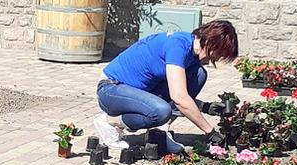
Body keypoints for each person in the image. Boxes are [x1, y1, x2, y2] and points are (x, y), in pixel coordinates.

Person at [93, 20, 239, 152]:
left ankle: (161, 132)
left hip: (141, 92)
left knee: (199, 74)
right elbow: (179, 98)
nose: (213, 60)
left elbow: (177, 92)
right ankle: (110, 122)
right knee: (161, 111)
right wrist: (210, 132)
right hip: (111, 89)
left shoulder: (192, 55)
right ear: (210, 42)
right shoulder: (178, 46)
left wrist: (205, 107)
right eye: (217, 55)